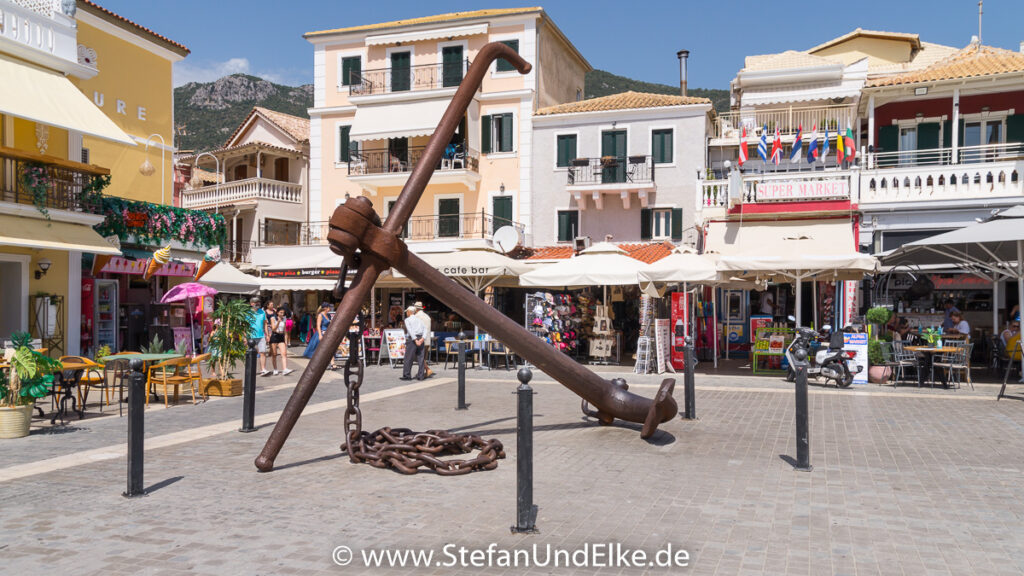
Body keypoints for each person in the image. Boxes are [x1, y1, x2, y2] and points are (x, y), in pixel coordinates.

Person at [303, 302, 337, 369]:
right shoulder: (320, 315)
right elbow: (318, 326)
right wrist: (320, 335)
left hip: (328, 334)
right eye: (329, 307)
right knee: (320, 350)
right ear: (325, 308)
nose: (330, 308)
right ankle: (318, 364)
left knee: (330, 348)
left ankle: (332, 364)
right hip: (322, 333)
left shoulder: (328, 315)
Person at [400, 306, 426, 381]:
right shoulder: (419, 320)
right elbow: (425, 329)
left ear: (409, 312)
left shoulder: (407, 320)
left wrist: (415, 340)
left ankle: (407, 375)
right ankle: (421, 376)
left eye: (407, 312)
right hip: (420, 338)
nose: (406, 313)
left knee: (408, 357)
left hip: (412, 339)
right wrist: (422, 339)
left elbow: (410, 330)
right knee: (421, 358)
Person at [248, 297, 270, 376]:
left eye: (258, 302)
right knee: (251, 354)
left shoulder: (262, 312)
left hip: (261, 336)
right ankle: (250, 370)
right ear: (251, 304)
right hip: (251, 336)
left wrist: (267, 335)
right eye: (255, 302)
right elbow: (244, 325)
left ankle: (263, 369)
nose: (257, 304)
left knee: (263, 352)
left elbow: (265, 324)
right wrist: (244, 337)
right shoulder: (248, 313)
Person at [269, 308, 293, 376]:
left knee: (284, 353)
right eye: (281, 312)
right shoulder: (273, 318)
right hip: (274, 336)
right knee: (274, 354)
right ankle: (275, 369)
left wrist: (285, 340)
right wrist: (278, 322)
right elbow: (273, 329)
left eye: (283, 313)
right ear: (277, 313)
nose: (282, 314)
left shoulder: (284, 319)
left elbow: (285, 330)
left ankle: (285, 369)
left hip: (281, 336)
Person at [413, 301, 433, 377]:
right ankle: (422, 372)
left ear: (416, 309)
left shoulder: (417, 316)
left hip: (420, 339)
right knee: (423, 357)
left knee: (419, 357)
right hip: (427, 339)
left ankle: (427, 369)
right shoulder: (427, 316)